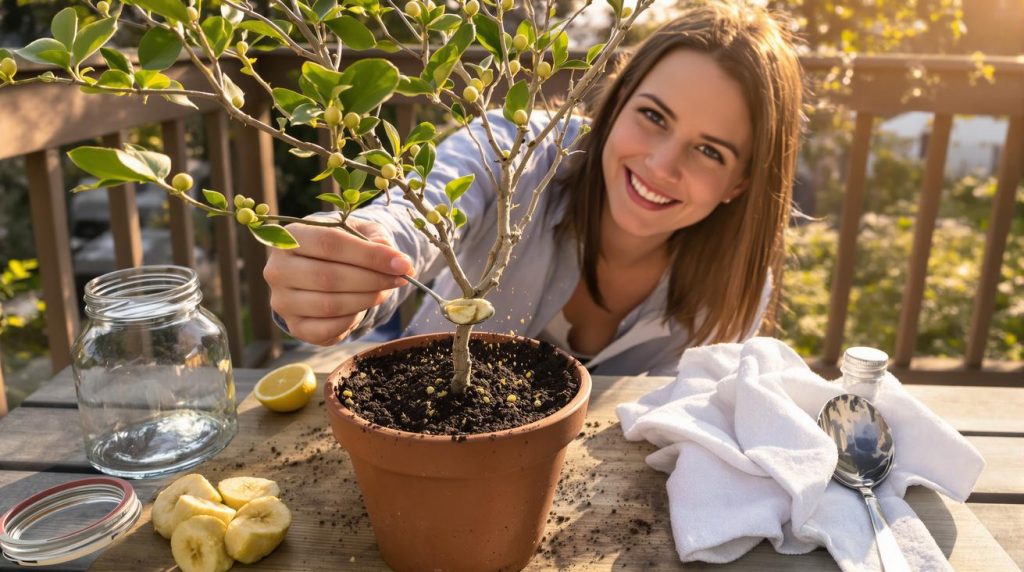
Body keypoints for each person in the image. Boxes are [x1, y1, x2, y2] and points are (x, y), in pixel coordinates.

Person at [263, 1, 804, 376]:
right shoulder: (515, 146)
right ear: (613, 106)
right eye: (653, 116)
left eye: (710, 151)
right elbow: (417, 210)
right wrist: (348, 265)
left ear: (740, 184)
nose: (662, 164)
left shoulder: (733, 290)